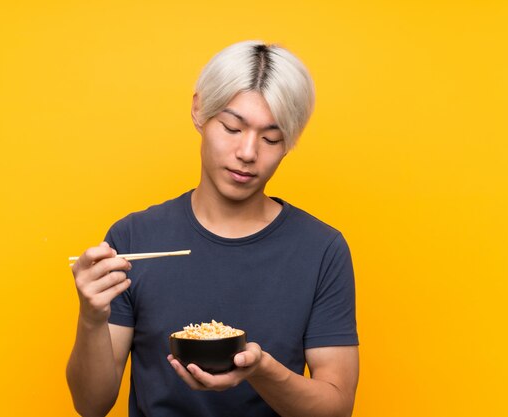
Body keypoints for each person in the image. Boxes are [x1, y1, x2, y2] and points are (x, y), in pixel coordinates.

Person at [66, 40, 359, 417]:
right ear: (199, 111)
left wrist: (262, 370)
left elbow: (336, 410)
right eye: (232, 127)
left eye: (271, 138)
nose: (248, 152)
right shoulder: (133, 238)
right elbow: (90, 405)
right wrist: (91, 318)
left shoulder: (322, 250)